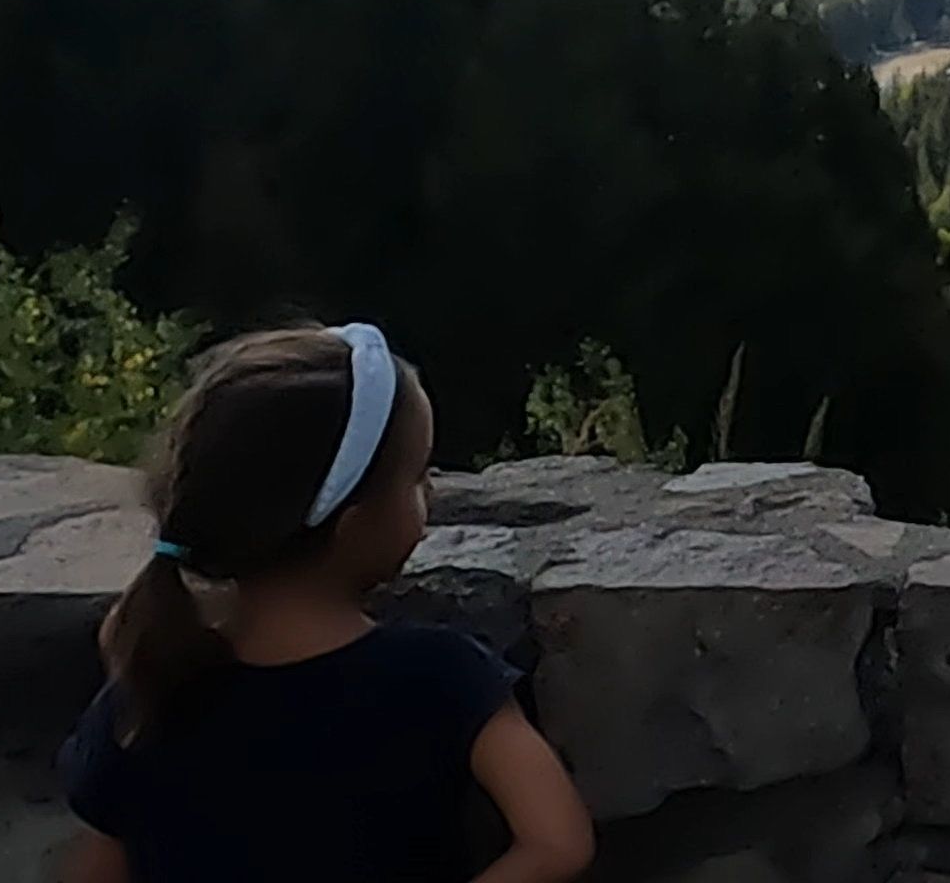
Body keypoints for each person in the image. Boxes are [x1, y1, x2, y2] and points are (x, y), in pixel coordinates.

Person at [61, 323, 594, 883]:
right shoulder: (437, 675)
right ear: (354, 526)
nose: (432, 492)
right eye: (417, 477)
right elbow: (558, 843)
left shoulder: (150, 687)